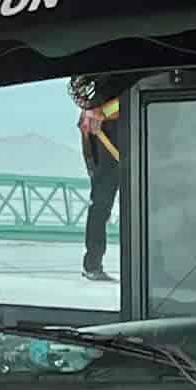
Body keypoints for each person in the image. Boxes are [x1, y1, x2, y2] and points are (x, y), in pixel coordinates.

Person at [75, 79, 123, 282]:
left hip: (115, 145)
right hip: (108, 148)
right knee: (101, 206)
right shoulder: (93, 107)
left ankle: (93, 264)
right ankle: (92, 264)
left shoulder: (96, 107)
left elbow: (124, 102)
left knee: (101, 206)